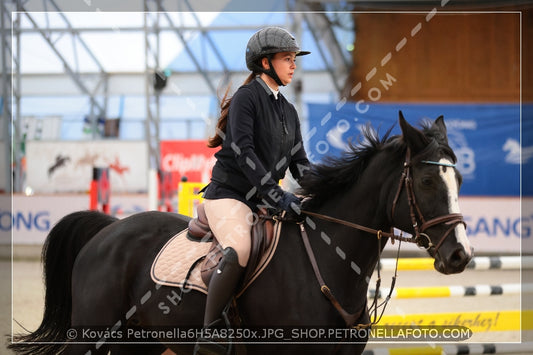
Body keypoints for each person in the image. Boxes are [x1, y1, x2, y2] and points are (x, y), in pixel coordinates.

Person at [194, 26, 311, 355]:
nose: (294, 65)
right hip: (228, 195)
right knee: (240, 246)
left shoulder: (287, 110)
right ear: (264, 63)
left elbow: (300, 161)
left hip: (263, 199)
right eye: (287, 59)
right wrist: (277, 196)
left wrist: (323, 190)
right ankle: (211, 331)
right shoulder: (247, 98)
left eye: (294, 59)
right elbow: (244, 153)